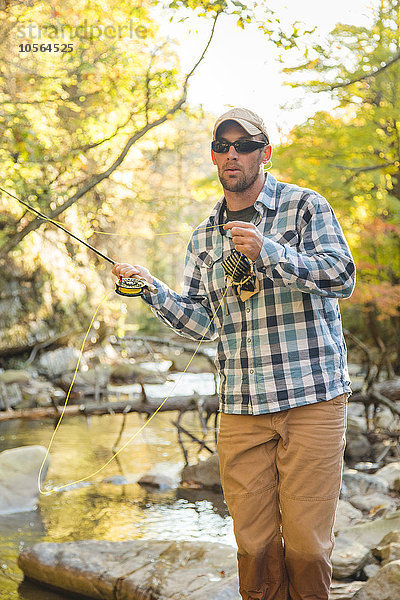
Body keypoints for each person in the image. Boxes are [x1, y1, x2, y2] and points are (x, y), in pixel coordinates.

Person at [111, 107, 356, 600]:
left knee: (307, 549)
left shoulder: (306, 207)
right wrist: (151, 290)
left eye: (243, 145)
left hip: (312, 400)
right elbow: (204, 324)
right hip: (241, 409)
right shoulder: (203, 236)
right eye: (222, 146)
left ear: (264, 153)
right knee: (254, 549)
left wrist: (270, 252)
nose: (232, 154)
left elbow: (342, 277)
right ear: (213, 157)